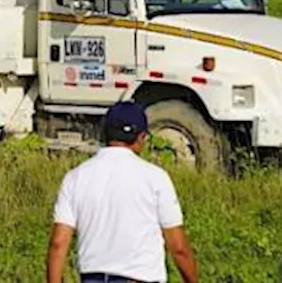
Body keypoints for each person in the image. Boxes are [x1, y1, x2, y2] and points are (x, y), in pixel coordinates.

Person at [47, 100, 199, 283]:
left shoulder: (75, 177)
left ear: (104, 133)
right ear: (141, 137)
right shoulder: (156, 178)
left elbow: (58, 244)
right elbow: (179, 248)